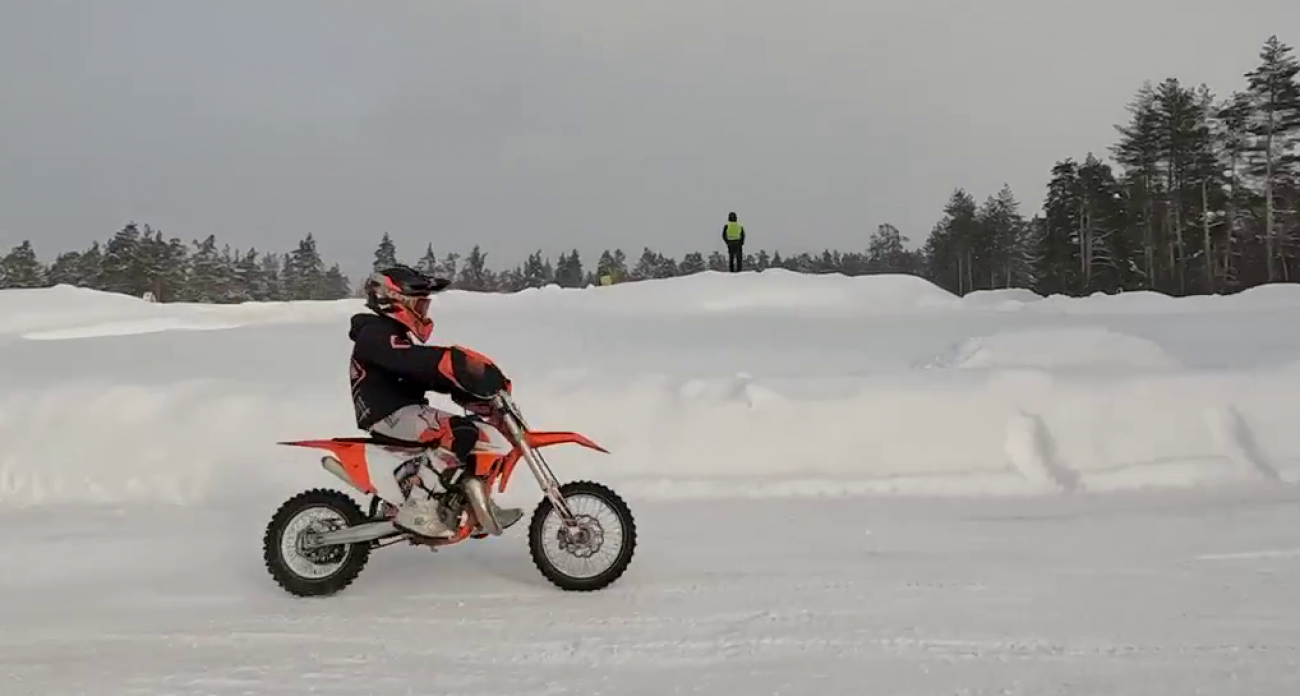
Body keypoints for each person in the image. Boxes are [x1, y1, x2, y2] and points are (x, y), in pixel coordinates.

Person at [348, 264, 524, 538]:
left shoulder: (391, 334)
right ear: (396, 300)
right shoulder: (375, 333)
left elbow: (422, 376)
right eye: (420, 305)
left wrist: (470, 394)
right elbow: (412, 363)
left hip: (399, 410)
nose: (424, 312)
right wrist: (454, 363)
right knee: (460, 432)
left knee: (475, 431)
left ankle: (472, 505)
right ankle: (421, 508)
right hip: (387, 412)